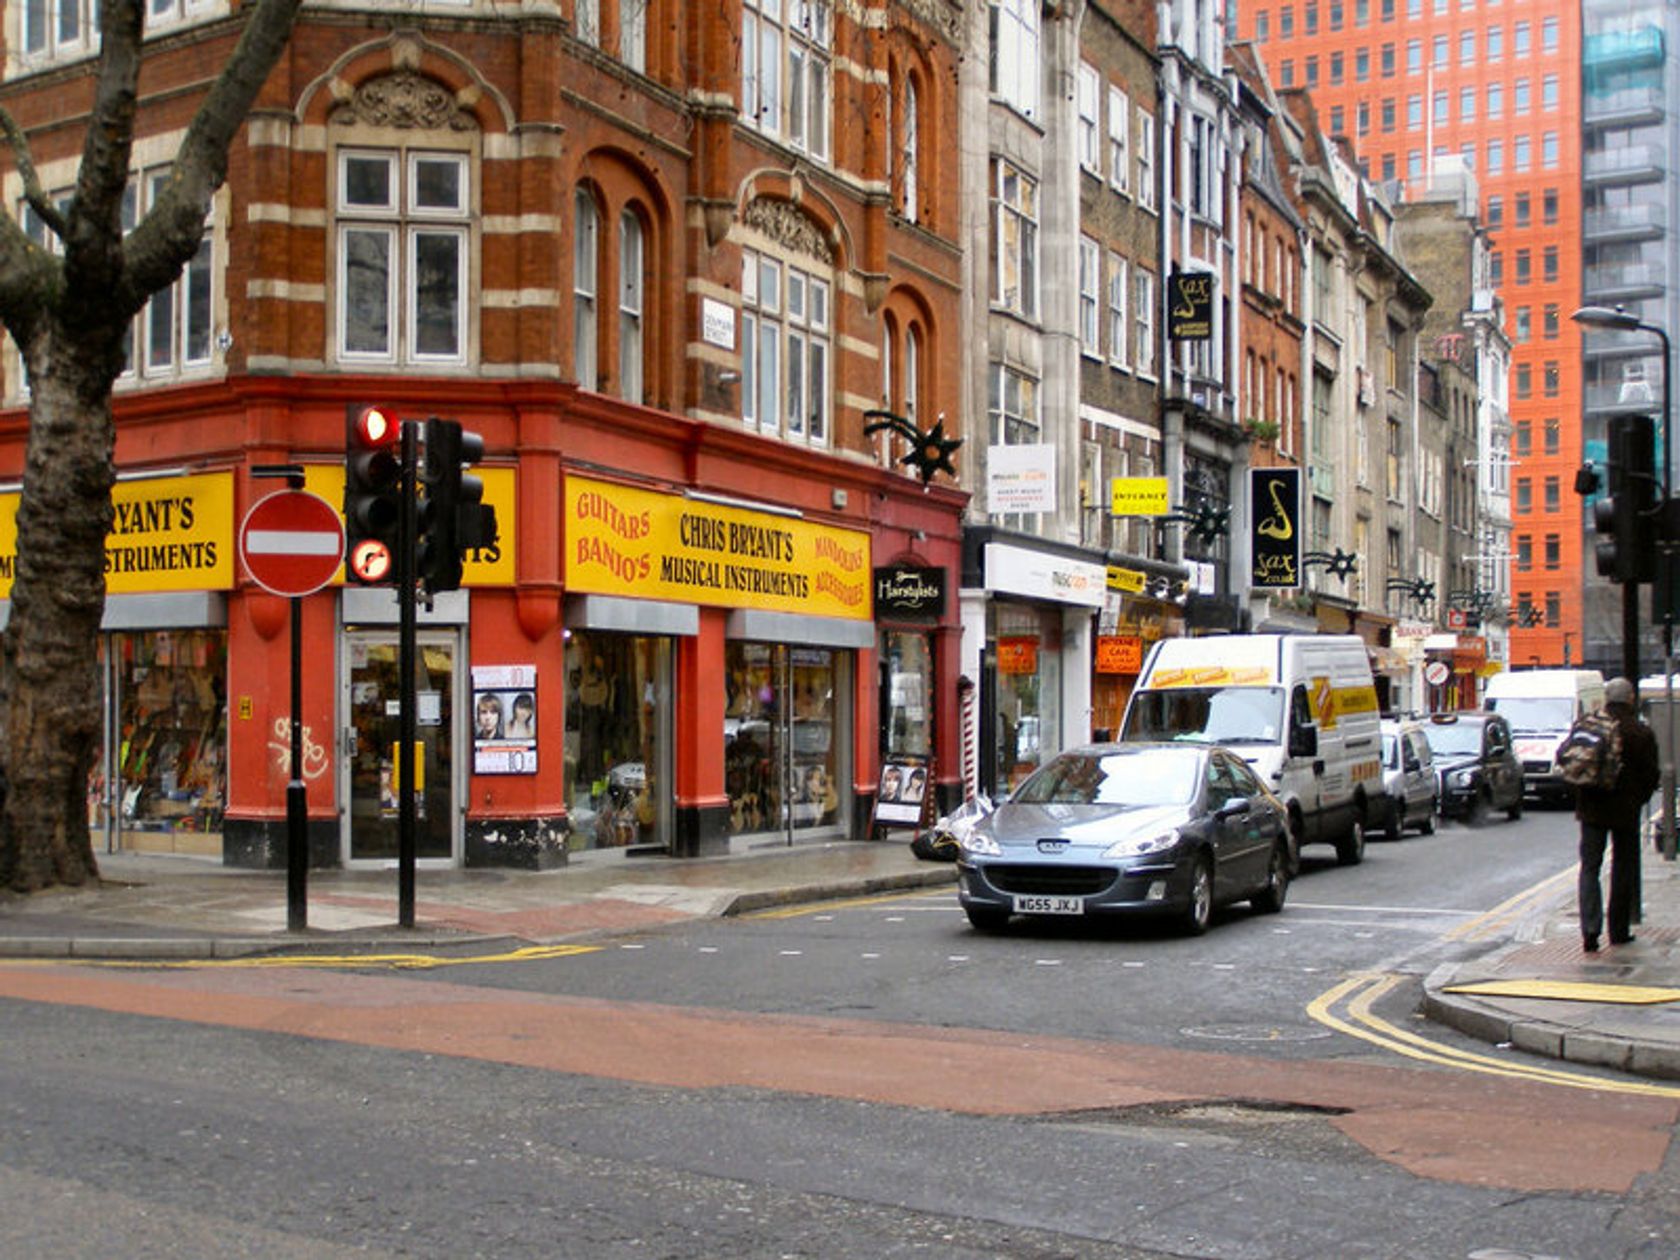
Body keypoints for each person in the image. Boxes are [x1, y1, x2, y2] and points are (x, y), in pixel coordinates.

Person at [1576, 676, 1660, 952]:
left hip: (1591, 808)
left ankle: (1590, 931)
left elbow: (1575, 763)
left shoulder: (1589, 725)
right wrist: (1638, 799)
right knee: (1623, 867)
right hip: (1625, 810)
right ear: (1631, 698)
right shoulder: (1639, 732)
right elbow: (1651, 775)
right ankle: (1618, 930)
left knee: (1590, 867)